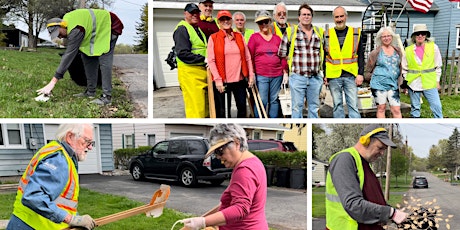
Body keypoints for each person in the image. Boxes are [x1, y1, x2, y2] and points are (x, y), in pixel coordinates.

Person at [7, 124, 96, 230]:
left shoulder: (57, 152)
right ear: (70, 137)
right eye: (87, 141)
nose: (90, 147)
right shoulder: (58, 159)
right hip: (32, 226)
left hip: (25, 222)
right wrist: (71, 219)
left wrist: (76, 218)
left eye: (91, 143)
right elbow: (34, 196)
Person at [180, 123, 268, 230]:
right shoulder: (253, 162)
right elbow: (229, 204)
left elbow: (240, 209)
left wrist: (203, 222)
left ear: (236, 143)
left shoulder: (244, 170)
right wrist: (201, 219)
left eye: (220, 151)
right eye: (215, 153)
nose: (218, 157)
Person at [325, 124, 408, 230]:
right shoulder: (344, 160)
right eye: (380, 148)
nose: (382, 153)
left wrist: (390, 211)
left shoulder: (364, 164)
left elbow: (371, 198)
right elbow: (353, 204)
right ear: (366, 141)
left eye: (384, 149)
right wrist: (391, 213)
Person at [37, 9, 124, 105]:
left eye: (59, 33)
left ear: (62, 26)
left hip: (110, 25)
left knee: (104, 58)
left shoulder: (75, 29)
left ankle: (107, 97)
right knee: (87, 57)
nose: (60, 37)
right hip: (96, 32)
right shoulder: (68, 22)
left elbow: (69, 55)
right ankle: (90, 92)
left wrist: (53, 82)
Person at [278, 3, 324, 118]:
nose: (306, 17)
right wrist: (287, 72)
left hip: (315, 77)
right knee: (297, 107)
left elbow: (324, 52)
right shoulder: (291, 32)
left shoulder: (319, 32)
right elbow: (282, 53)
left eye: (308, 14)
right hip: (298, 77)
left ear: (312, 17)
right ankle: (296, 130)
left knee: (314, 107)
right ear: (299, 17)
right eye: (304, 14)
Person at [207, 10, 255, 118]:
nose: (225, 21)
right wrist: (218, 80)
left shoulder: (239, 36)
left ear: (231, 21)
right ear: (218, 22)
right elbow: (211, 61)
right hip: (223, 81)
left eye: (227, 19)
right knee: (223, 112)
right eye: (222, 19)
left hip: (239, 80)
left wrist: (251, 75)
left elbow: (247, 57)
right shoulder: (213, 38)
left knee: (242, 110)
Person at [324, 6, 364, 118]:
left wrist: (360, 73)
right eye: (337, 17)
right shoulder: (327, 34)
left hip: (350, 75)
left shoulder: (355, 33)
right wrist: (325, 74)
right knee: (337, 105)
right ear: (333, 18)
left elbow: (361, 55)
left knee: (353, 106)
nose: (339, 19)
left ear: (346, 17)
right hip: (333, 75)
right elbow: (324, 56)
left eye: (342, 16)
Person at [247, 10, 286, 118]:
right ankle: (259, 120)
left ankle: (273, 119)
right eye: (260, 22)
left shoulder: (277, 39)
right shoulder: (254, 38)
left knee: (274, 100)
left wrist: (285, 72)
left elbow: (283, 56)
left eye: (266, 21)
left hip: (277, 75)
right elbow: (249, 57)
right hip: (261, 75)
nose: (263, 24)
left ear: (270, 22)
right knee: (262, 100)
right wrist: (252, 73)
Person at [173, 3, 209, 118]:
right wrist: (204, 59)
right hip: (190, 73)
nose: (194, 15)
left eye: (196, 12)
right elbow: (182, 53)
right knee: (196, 109)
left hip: (201, 72)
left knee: (205, 108)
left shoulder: (197, 29)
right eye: (191, 12)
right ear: (185, 14)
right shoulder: (182, 29)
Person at [401, 24, 443, 118]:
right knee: (415, 108)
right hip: (413, 83)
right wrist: (406, 83)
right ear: (414, 36)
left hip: (430, 82)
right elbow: (404, 68)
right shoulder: (408, 50)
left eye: (423, 34)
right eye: (417, 34)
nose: (420, 36)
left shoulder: (434, 47)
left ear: (426, 35)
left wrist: (437, 81)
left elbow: (438, 66)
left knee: (437, 106)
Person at [364, 27, 403, 118]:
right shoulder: (375, 53)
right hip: (379, 84)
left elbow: (401, 66)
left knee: (396, 109)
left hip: (393, 84)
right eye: (383, 36)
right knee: (381, 108)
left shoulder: (398, 51)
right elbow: (368, 69)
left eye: (388, 36)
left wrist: (402, 81)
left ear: (392, 37)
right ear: (380, 38)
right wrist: (372, 78)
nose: (386, 38)